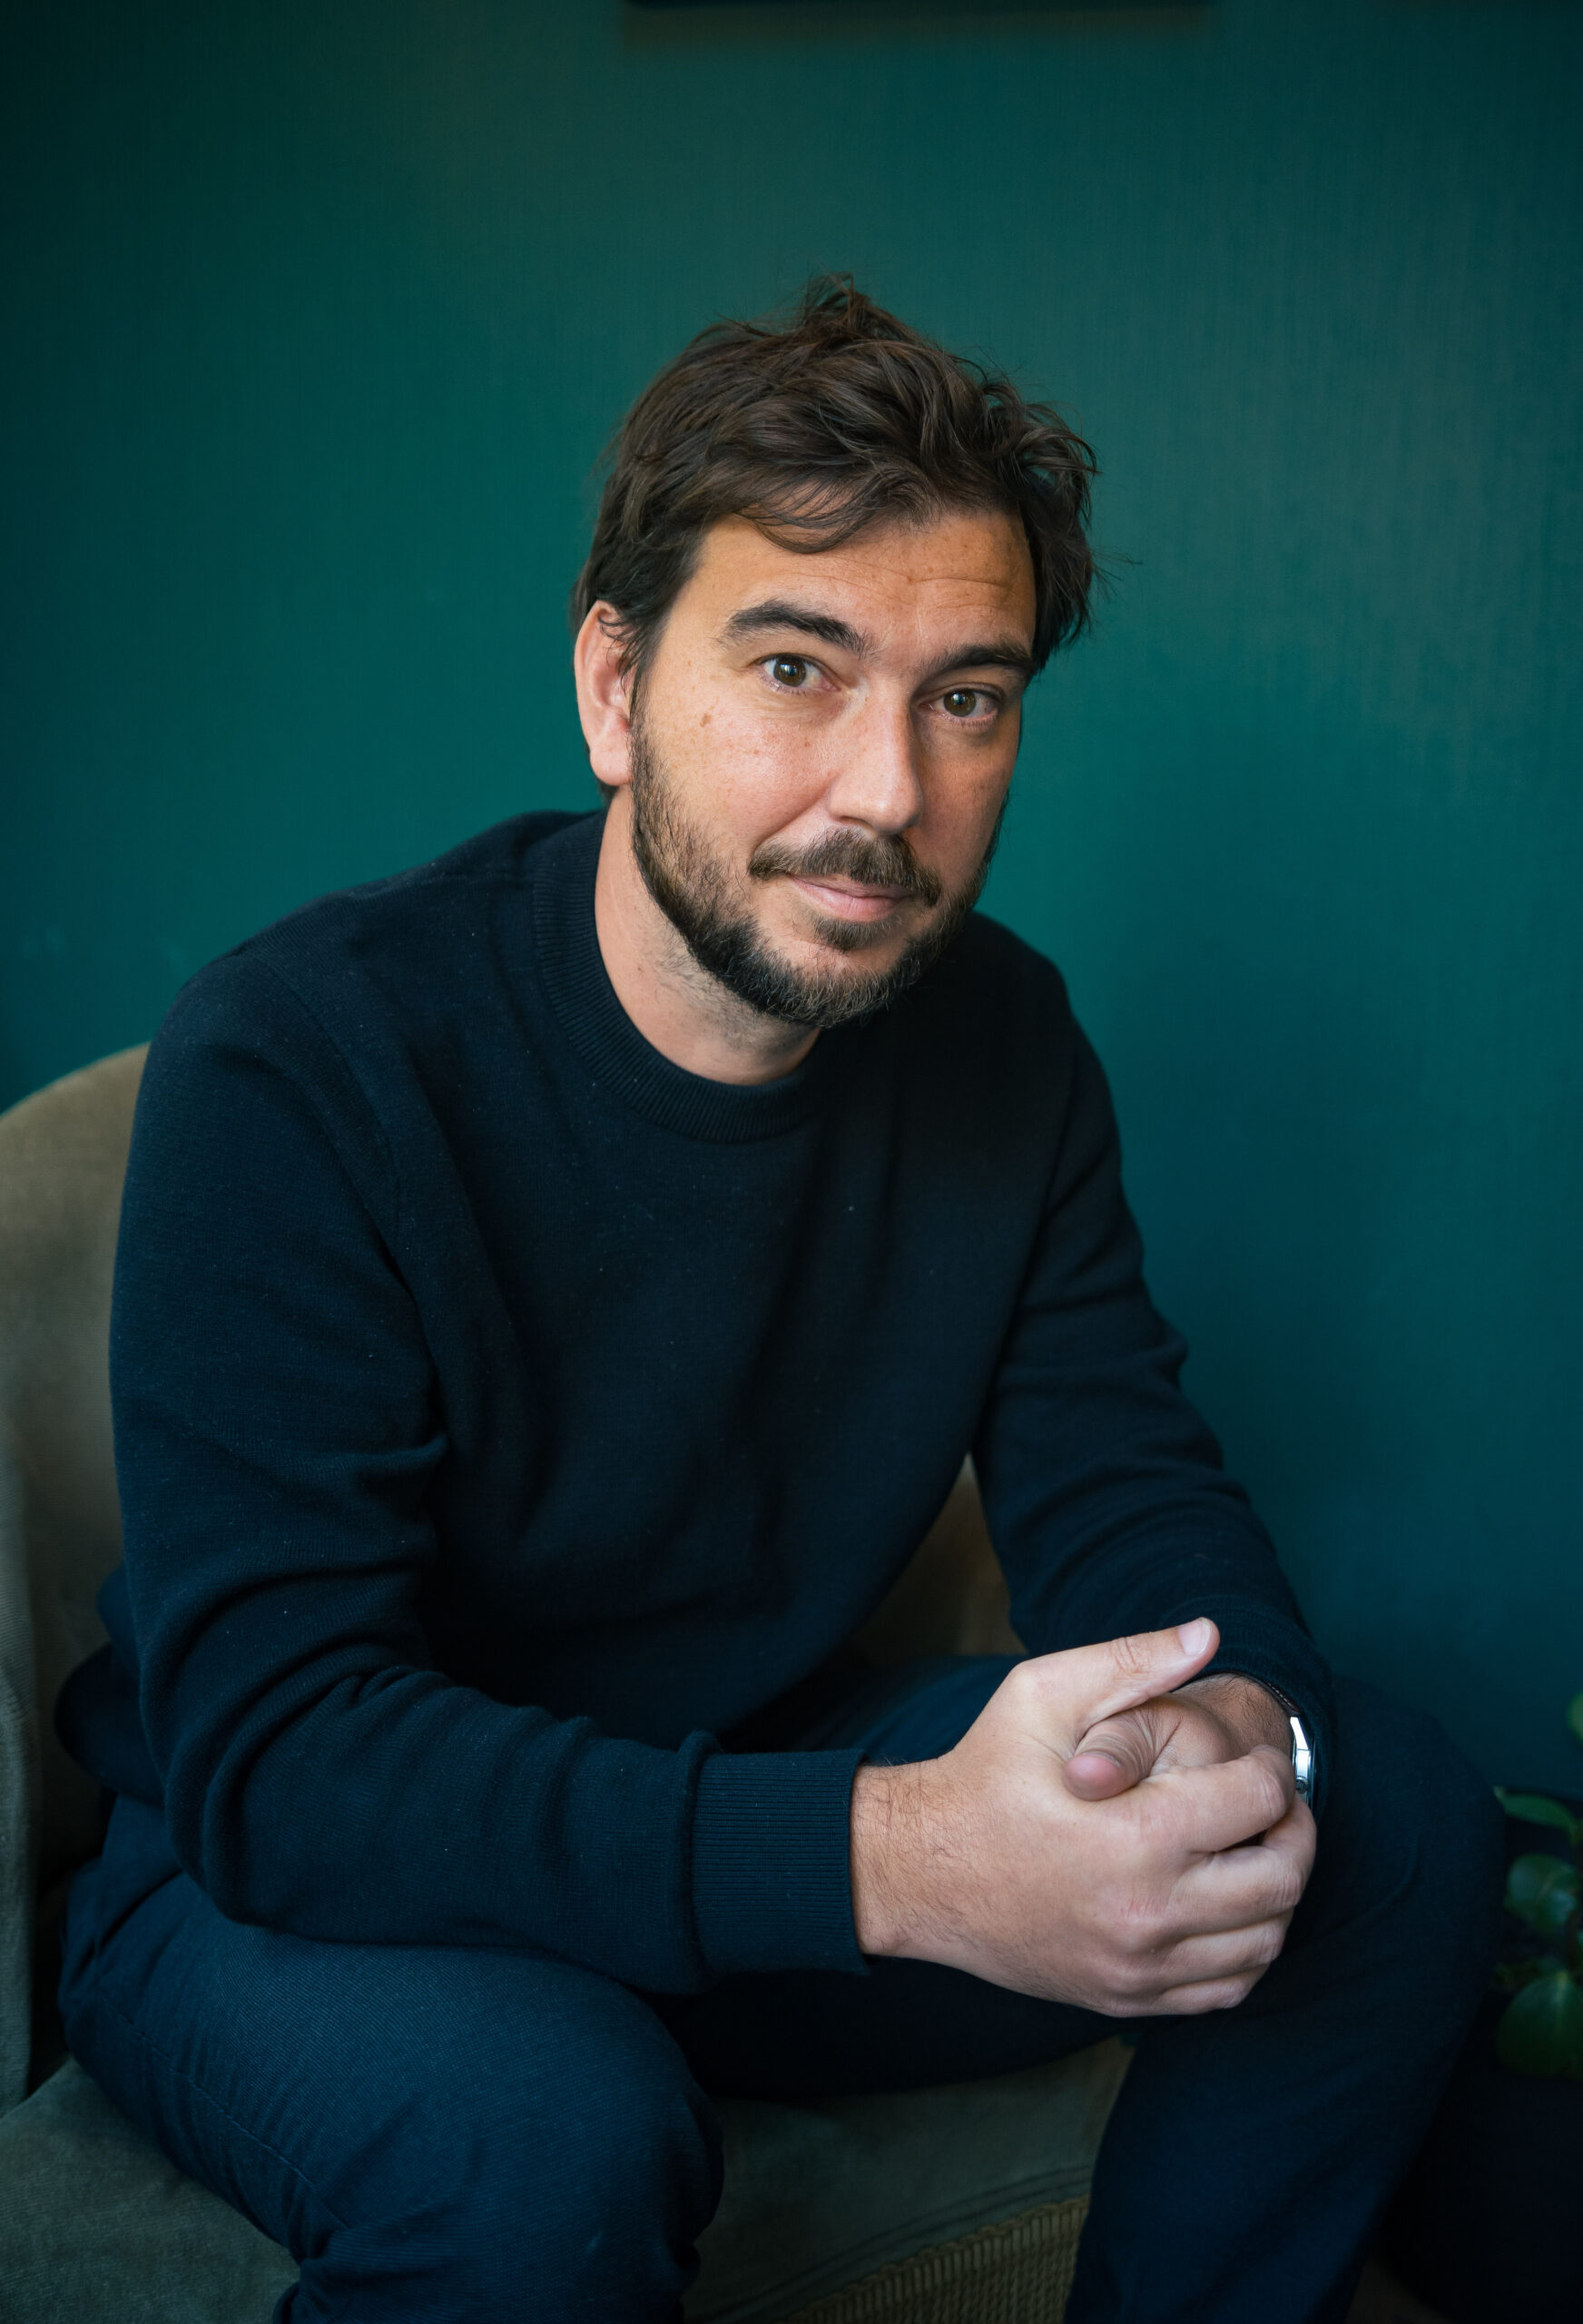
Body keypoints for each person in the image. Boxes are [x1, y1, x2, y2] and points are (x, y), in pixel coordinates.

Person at [56, 281, 1499, 2323]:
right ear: (614, 686)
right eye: (797, 667)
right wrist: (893, 1856)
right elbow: (285, 1754)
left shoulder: (1003, 1044)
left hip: (743, 1801)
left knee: (1382, 1815)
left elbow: (1125, 1481)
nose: (887, 790)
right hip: (298, 1880)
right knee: (545, 2136)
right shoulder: (304, 1060)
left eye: (967, 697)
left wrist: (1220, 1724)